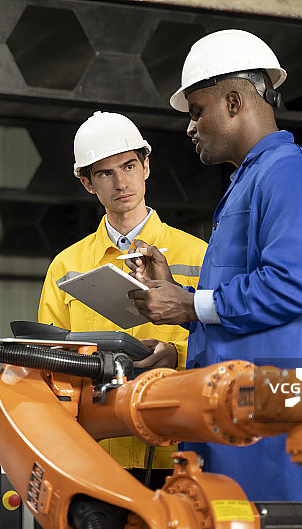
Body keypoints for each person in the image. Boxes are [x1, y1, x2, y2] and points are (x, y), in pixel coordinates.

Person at [125, 30, 302, 529]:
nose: (190, 127)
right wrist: (182, 331)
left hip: (288, 449)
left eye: (197, 110)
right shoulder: (250, 184)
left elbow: (291, 286)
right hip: (245, 442)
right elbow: (244, 315)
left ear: (234, 100)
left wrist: (189, 306)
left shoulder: (300, 175)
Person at [38, 111, 206, 487]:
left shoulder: (199, 256)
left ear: (146, 166)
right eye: (105, 173)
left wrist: (173, 353)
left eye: (129, 166)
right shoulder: (66, 266)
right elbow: (50, 362)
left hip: (176, 453)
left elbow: (222, 346)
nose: (121, 182)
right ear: (87, 183)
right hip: (94, 454)